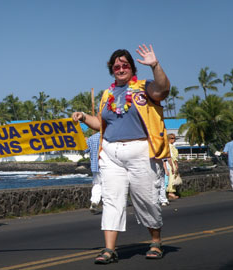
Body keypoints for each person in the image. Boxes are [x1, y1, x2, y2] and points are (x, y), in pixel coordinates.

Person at [72, 44, 170, 263]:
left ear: (132, 68)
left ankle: (155, 241)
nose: (120, 68)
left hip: (140, 151)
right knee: (111, 200)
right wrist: (84, 117)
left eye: (125, 65)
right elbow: (101, 123)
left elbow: (163, 90)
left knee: (147, 199)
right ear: (112, 69)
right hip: (110, 153)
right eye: (116, 66)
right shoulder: (107, 94)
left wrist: (155, 65)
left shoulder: (144, 87)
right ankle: (109, 249)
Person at [84, 132, 102, 213]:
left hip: (95, 166)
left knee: (97, 184)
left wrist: (85, 140)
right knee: (108, 185)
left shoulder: (92, 138)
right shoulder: (108, 135)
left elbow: (85, 150)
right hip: (106, 165)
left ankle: (94, 201)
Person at [166, 133, 179, 199]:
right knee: (172, 177)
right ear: (169, 139)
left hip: (169, 163)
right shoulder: (170, 147)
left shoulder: (169, 146)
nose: (174, 140)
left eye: (174, 138)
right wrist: (176, 164)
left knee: (171, 177)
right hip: (172, 163)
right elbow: (173, 156)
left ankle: (170, 192)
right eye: (172, 138)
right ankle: (171, 192)